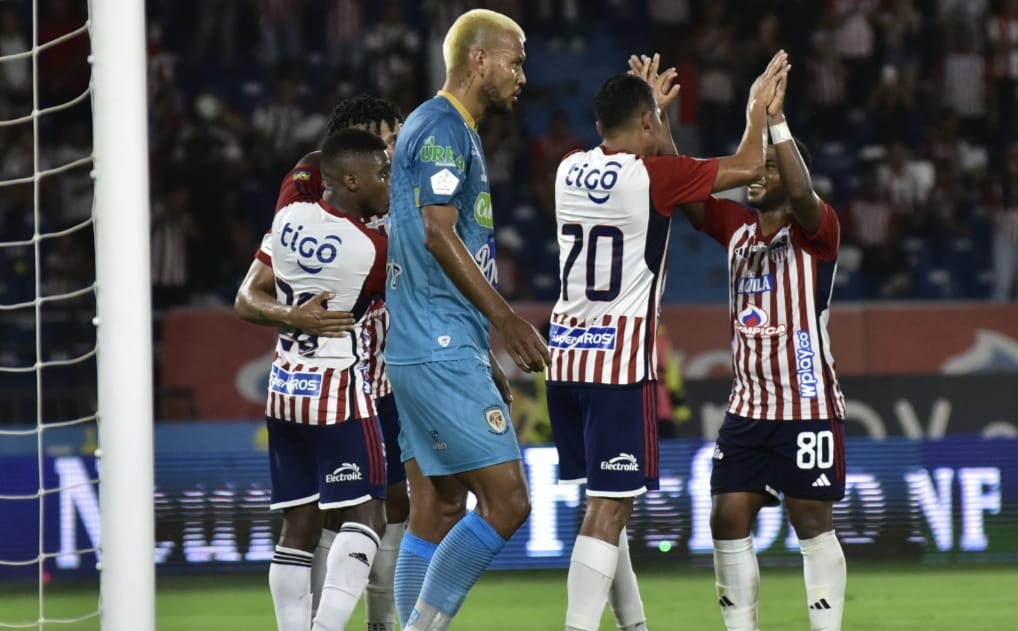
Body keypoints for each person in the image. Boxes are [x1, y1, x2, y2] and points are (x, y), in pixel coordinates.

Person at [546, 50, 789, 631]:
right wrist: (757, 109)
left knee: (604, 505)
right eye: (655, 120)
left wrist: (656, 118)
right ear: (649, 124)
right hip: (618, 364)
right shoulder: (651, 177)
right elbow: (751, 164)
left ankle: (635, 626)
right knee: (611, 508)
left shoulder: (568, 167)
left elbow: (664, 172)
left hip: (564, 358)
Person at [383, 8, 550, 631]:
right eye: (516, 60)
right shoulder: (441, 126)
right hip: (436, 343)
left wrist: (483, 350)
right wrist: (505, 321)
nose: (522, 75)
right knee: (508, 500)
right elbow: (436, 232)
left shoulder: (460, 131)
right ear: (479, 60)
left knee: (439, 504)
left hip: (437, 343)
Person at [677, 65, 848, 631]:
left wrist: (776, 125)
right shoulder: (736, 229)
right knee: (727, 517)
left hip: (807, 405)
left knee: (811, 521)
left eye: (768, 168)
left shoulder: (818, 233)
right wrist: (657, 123)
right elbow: (689, 195)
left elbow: (802, 192)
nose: (756, 174)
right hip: (748, 409)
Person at [237, 94, 408, 631]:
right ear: (350, 173)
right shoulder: (368, 248)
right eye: (383, 160)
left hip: (285, 385)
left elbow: (248, 295)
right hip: (342, 388)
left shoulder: (291, 216)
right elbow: (416, 280)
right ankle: (331, 624)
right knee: (369, 513)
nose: (392, 167)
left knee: (301, 523)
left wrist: (294, 313)